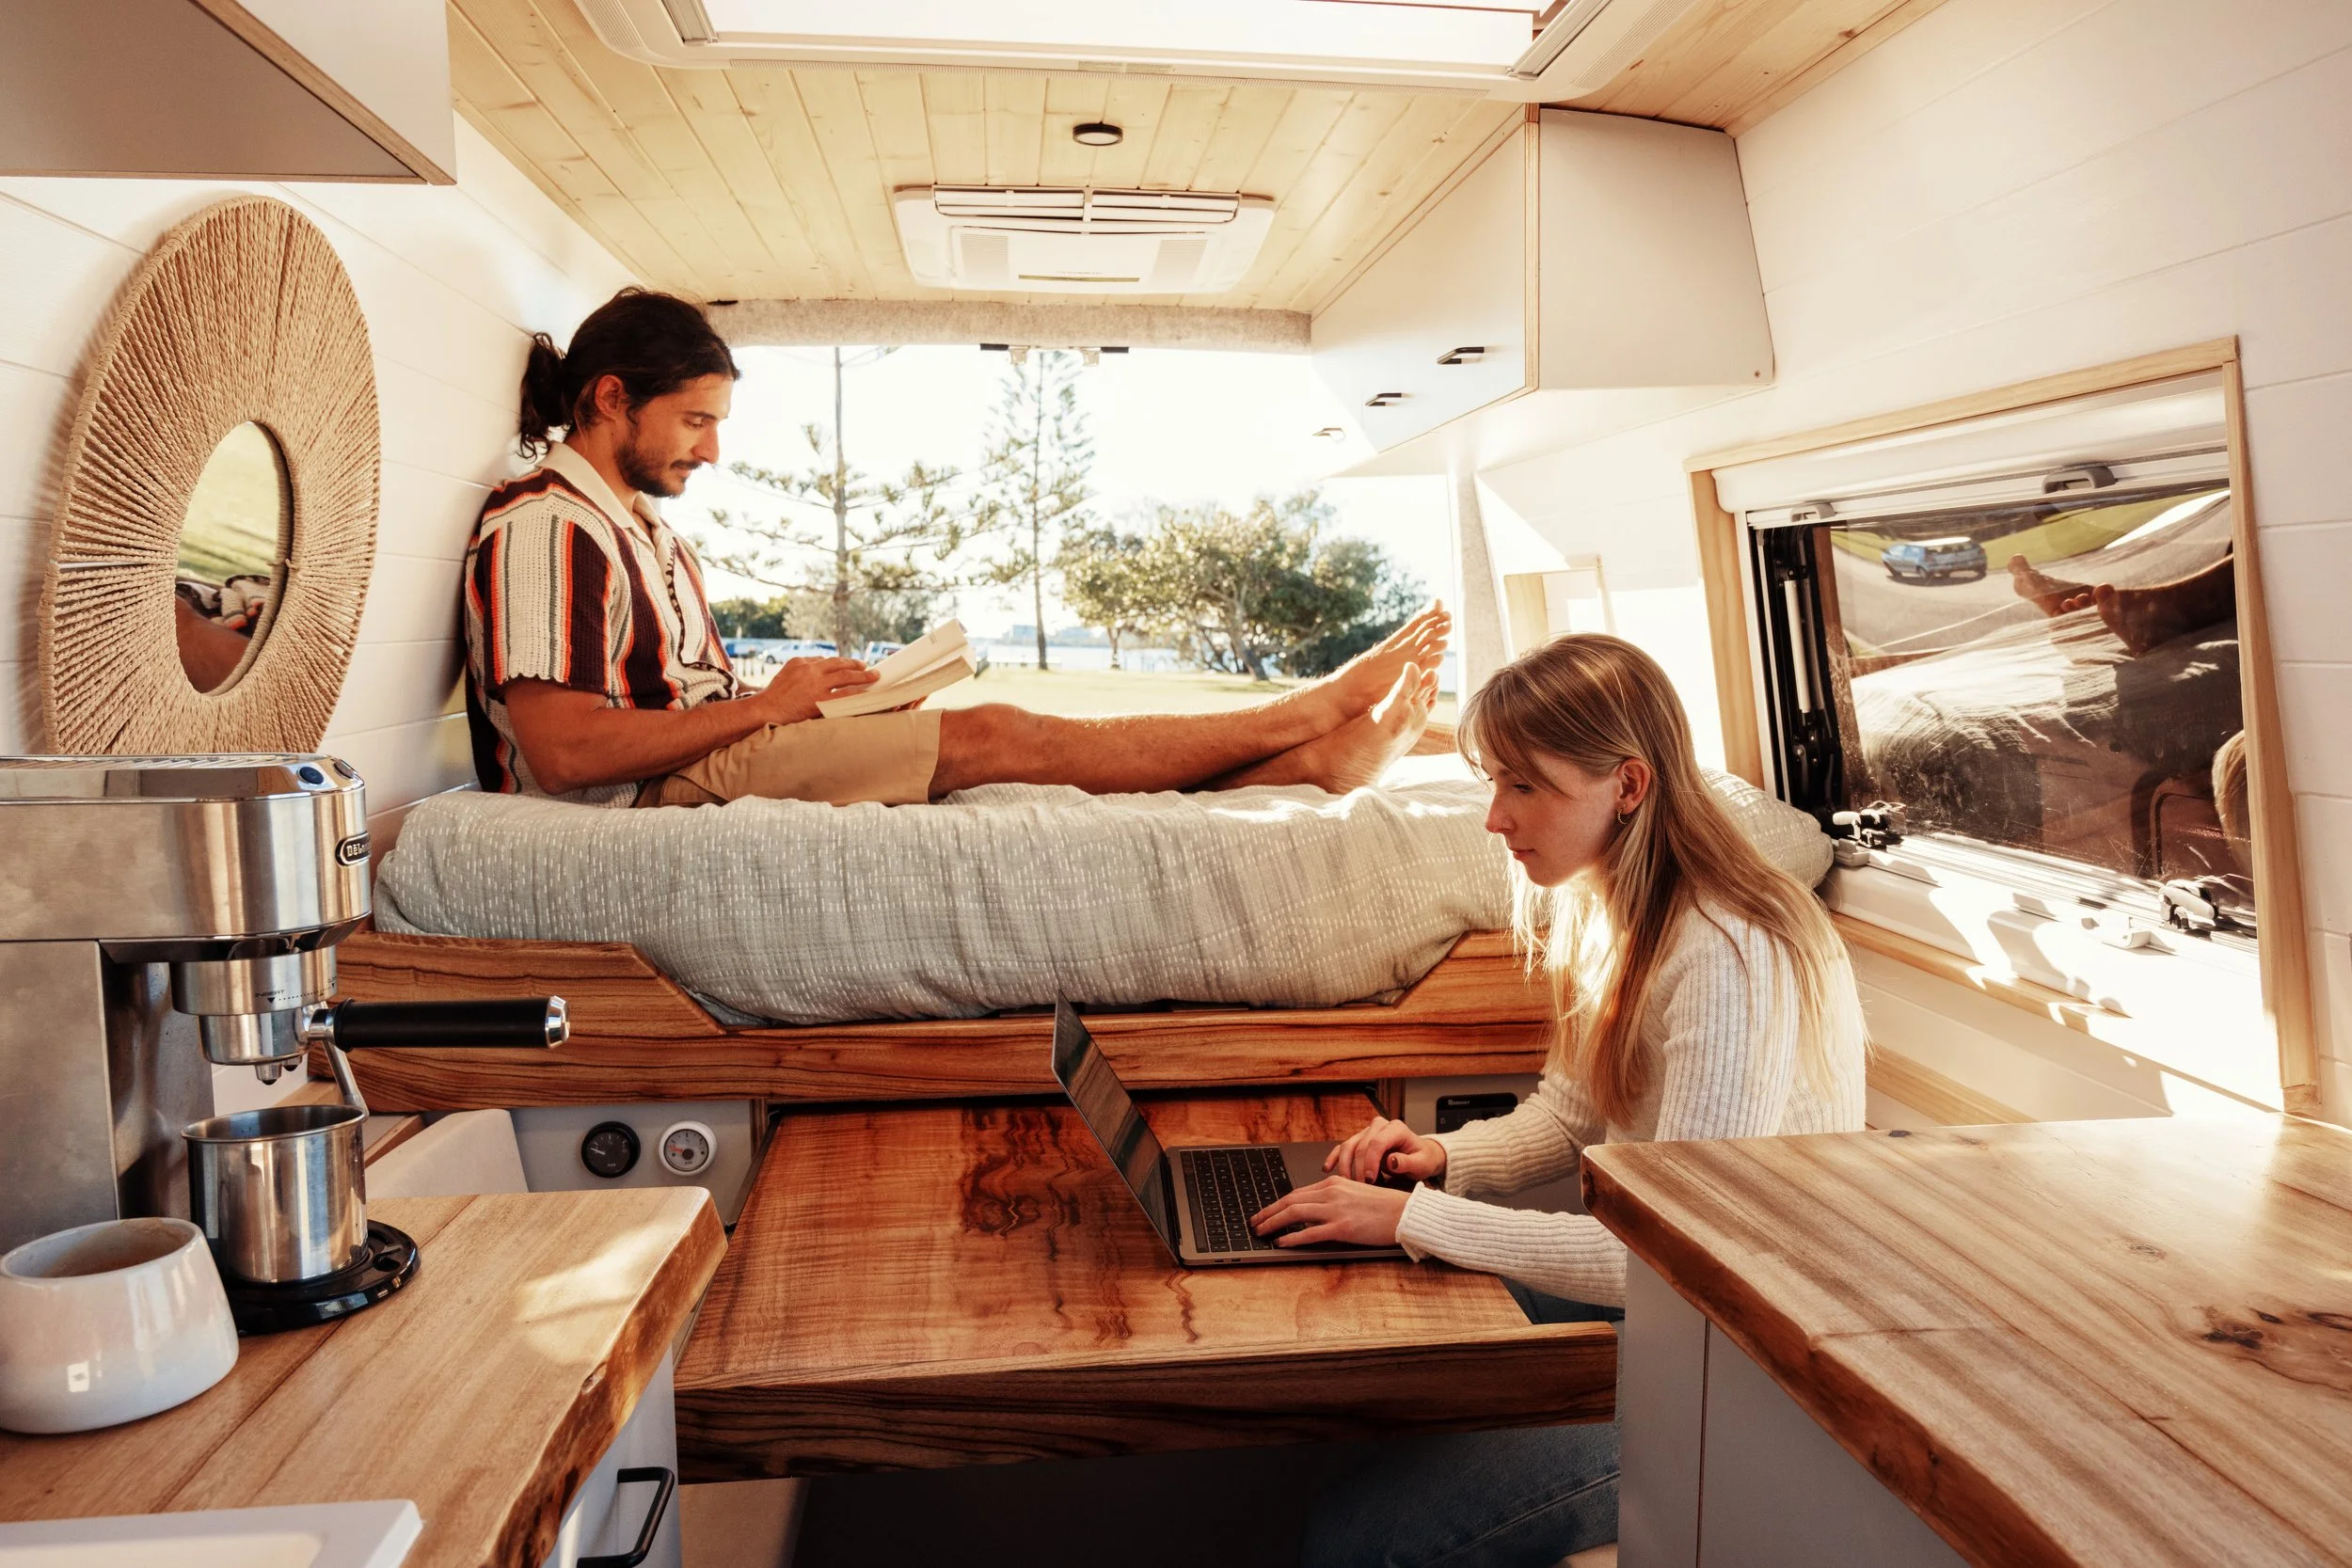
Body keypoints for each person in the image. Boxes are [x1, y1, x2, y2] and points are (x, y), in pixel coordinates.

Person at [1248, 633, 1868, 1568]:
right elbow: (1569, 1113)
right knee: (1358, 1359)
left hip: (1747, 1378)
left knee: (1359, 1542)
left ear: (1628, 785)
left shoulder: (1730, 952)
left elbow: (1671, 1265)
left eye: (1524, 785)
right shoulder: (1615, 906)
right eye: (1494, 782)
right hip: (1669, 1324)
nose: (1494, 817)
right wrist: (1441, 1159)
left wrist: (1415, 1216)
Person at [463, 287, 1450, 809]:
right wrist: (766, 709)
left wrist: (822, 701)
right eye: (695, 420)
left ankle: (1307, 763)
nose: (712, 450)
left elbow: (678, 698)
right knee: (994, 736)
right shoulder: (549, 526)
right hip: (644, 798)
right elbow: (565, 751)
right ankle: (1302, 718)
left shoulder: (642, 532)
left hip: (700, 758)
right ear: (610, 399)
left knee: (995, 743)